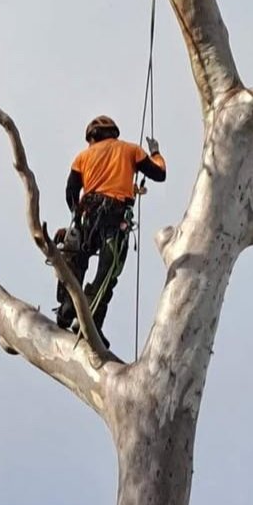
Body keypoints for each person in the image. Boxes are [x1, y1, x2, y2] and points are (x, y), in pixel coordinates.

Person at [55, 115, 166, 341]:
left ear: (93, 137)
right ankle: (90, 318)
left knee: (76, 258)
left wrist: (76, 217)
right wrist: (155, 152)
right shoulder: (130, 150)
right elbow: (159, 173)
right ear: (113, 133)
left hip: (88, 214)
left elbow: (70, 190)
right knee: (109, 270)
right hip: (115, 217)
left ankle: (67, 307)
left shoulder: (82, 157)